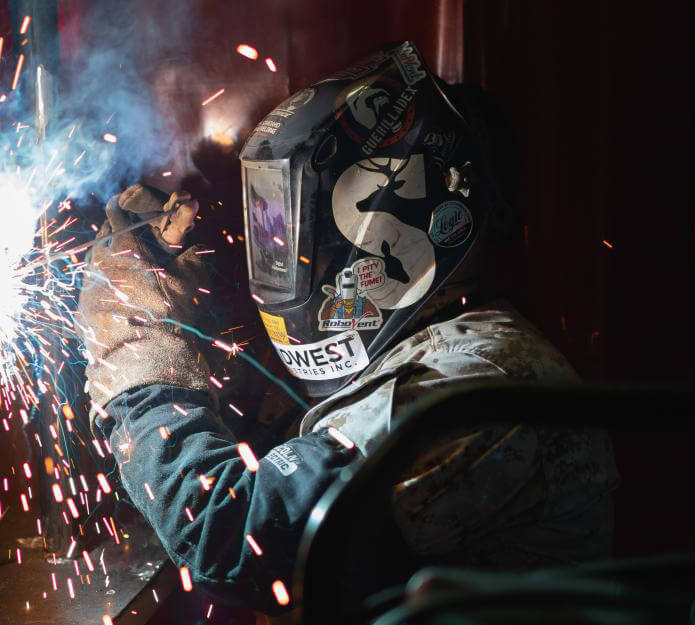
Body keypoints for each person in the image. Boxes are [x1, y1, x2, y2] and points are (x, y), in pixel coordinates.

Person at [75, 41, 618, 612]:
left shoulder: (473, 388)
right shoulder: (424, 351)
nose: (281, 256)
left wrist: (135, 340)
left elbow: (230, 532)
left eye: (292, 234)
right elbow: (276, 458)